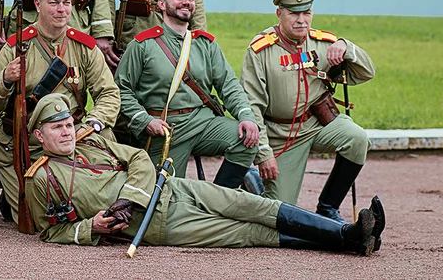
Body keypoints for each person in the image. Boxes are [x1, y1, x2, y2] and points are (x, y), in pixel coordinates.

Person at [24, 93, 385, 256]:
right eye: (57, 128)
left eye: (69, 124)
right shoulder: (41, 179)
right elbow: (50, 231)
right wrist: (94, 228)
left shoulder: (92, 142)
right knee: (249, 233)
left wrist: (129, 197)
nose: (68, 132)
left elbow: (137, 157)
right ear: (40, 135)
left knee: (253, 204)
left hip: (174, 188)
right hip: (159, 225)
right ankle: (350, 240)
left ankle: (348, 233)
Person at [0, 0, 120, 220]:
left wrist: (90, 125)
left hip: (72, 136)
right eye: (53, 3)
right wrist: (6, 80)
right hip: (26, 141)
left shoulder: (83, 47)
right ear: (38, 4)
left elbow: (109, 94)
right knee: (37, 217)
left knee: (92, 200)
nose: (62, 9)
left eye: (66, 3)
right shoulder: (16, 46)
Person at [241, 0, 376, 223]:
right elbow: (253, 106)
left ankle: (328, 207)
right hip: (281, 135)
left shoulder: (325, 43)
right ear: (279, 14)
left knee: (357, 139)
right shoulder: (261, 50)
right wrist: (264, 154)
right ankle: (253, 179)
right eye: (294, 13)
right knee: (281, 214)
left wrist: (347, 48)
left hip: (318, 126)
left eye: (307, 13)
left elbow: (366, 73)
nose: (302, 20)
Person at [115, 0, 258, 188]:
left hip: (202, 122)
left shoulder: (205, 44)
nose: (186, 3)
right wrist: (145, 121)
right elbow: (121, 90)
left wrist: (246, 116)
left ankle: (216, 201)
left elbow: (229, 85)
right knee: (164, 198)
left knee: (245, 142)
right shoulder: (142, 45)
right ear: (162, 5)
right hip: (164, 130)